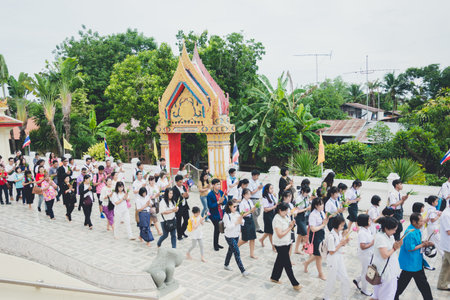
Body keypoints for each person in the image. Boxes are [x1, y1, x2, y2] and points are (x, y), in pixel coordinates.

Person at [394, 213, 433, 300]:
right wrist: (423, 245)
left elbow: (417, 243)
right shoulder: (410, 233)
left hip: (416, 263)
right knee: (403, 285)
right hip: (411, 264)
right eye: (421, 221)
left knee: (422, 285)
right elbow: (410, 248)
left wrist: (424, 243)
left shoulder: (416, 230)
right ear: (414, 222)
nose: (422, 223)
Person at [270, 202, 301, 291]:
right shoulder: (277, 219)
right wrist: (289, 227)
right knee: (287, 264)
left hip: (286, 242)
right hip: (280, 243)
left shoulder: (285, 216)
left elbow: (289, 225)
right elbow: (279, 234)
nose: (287, 212)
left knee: (279, 261)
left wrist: (292, 223)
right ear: (280, 210)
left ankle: (274, 277)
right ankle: (295, 283)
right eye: (285, 211)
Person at [372, 217, 402, 300]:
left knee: (377, 295)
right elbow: (385, 255)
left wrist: (396, 245)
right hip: (385, 272)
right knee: (387, 295)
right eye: (393, 230)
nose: (395, 232)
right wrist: (394, 248)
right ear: (386, 228)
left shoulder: (389, 236)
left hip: (390, 269)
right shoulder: (380, 237)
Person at [324, 215, 350, 300]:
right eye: (342, 225)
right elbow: (331, 251)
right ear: (337, 224)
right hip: (333, 259)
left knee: (345, 278)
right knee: (331, 279)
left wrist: (345, 242)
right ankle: (326, 297)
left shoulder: (338, 233)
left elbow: (340, 245)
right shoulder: (331, 236)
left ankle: (344, 297)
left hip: (339, 258)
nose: (343, 227)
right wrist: (341, 244)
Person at [303, 197, 327, 280]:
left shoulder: (321, 212)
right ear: (316, 206)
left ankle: (306, 263)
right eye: (320, 204)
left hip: (321, 234)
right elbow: (312, 228)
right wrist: (323, 225)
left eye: (323, 204)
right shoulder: (313, 214)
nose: (322, 206)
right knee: (319, 256)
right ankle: (320, 274)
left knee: (318, 253)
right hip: (315, 235)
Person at [223, 200, 249, 276]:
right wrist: (236, 223)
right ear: (229, 206)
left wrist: (240, 221)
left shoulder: (237, 213)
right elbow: (228, 226)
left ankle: (226, 264)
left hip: (236, 235)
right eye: (234, 206)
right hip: (229, 236)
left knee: (230, 250)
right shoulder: (226, 215)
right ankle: (243, 270)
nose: (235, 208)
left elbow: (243, 222)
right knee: (236, 252)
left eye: (236, 206)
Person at [353, 214, 374, 296]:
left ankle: (357, 280)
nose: (370, 221)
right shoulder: (362, 232)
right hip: (365, 255)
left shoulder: (367, 229)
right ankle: (364, 290)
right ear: (364, 222)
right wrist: (372, 243)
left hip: (369, 253)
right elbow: (363, 246)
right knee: (367, 272)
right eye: (369, 220)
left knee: (367, 270)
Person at [207, 178, 227, 251]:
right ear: (213, 185)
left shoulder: (221, 192)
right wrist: (218, 202)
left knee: (218, 230)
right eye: (217, 184)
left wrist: (222, 202)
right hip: (214, 215)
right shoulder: (210, 195)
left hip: (221, 213)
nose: (219, 186)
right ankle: (215, 245)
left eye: (219, 184)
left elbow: (225, 201)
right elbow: (210, 206)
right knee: (217, 229)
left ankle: (217, 243)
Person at [238, 188, 258, 259]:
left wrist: (254, 208)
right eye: (248, 194)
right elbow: (241, 215)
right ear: (244, 195)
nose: (249, 195)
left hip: (250, 219)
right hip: (245, 221)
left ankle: (252, 253)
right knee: (245, 239)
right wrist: (250, 211)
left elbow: (252, 210)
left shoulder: (250, 201)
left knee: (253, 237)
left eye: (250, 194)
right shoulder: (242, 203)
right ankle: (235, 247)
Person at [294, 185, 311, 254]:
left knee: (300, 234)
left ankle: (296, 249)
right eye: (306, 192)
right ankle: (307, 247)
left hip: (304, 216)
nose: (307, 194)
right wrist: (306, 209)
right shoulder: (298, 199)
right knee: (305, 233)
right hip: (299, 217)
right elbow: (296, 210)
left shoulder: (306, 198)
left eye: (308, 193)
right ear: (302, 191)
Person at [259, 183, 277, 250]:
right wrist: (274, 207)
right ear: (267, 190)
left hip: (273, 213)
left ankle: (261, 239)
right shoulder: (265, 197)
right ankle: (273, 246)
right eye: (271, 188)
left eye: (273, 188)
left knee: (268, 230)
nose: (272, 190)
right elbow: (266, 209)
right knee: (270, 231)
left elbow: (276, 203)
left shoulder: (272, 195)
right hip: (268, 215)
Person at [437, 203, 450, 290]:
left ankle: (442, 284)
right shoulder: (446, 215)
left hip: (447, 245)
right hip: (448, 244)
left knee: (446, 266)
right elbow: (448, 231)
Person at [173, 175, 190, 240]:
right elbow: (174, 199)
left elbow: (186, 196)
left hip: (185, 206)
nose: (181, 183)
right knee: (178, 222)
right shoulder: (174, 189)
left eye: (182, 182)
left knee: (187, 220)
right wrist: (182, 196)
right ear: (176, 182)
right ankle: (179, 235)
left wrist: (187, 196)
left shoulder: (183, 187)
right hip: (179, 208)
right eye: (180, 182)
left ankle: (182, 231)